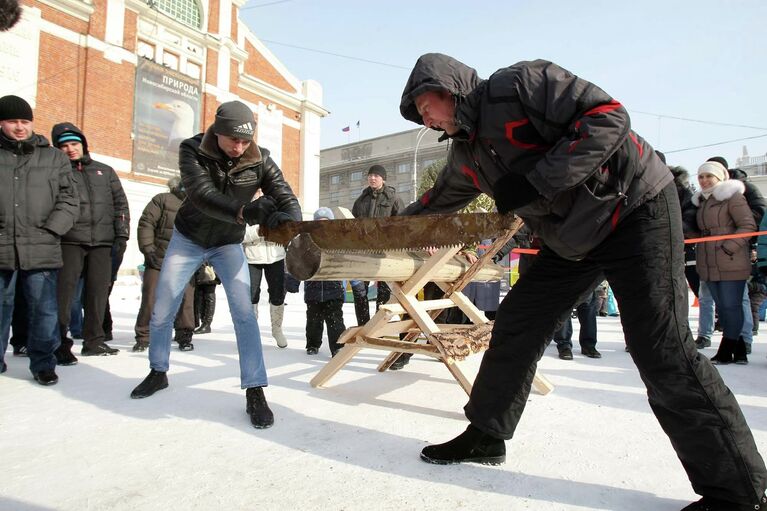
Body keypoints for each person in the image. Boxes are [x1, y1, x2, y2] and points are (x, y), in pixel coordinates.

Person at [398, 54, 766, 510]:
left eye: (424, 102)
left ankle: (737, 492)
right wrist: (385, 230)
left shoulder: (519, 85)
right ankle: (486, 435)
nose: (423, 115)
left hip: (635, 209)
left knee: (661, 347)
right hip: (572, 236)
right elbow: (436, 202)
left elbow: (607, 117)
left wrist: (535, 181)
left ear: (448, 86)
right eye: (416, 112)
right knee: (517, 322)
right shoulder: (466, 155)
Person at [130, 100, 302, 430]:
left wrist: (290, 222)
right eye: (232, 140)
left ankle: (255, 389)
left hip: (227, 243)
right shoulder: (192, 149)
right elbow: (201, 195)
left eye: (245, 141)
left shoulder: (261, 157)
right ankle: (158, 370)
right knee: (163, 304)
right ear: (216, 131)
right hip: (189, 237)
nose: (239, 147)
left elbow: (283, 193)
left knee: (243, 312)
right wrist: (246, 212)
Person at [0, 95, 79, 383]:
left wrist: (51, 230)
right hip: (2, 245)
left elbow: (70, 200)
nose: (20, 127)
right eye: (12, 121)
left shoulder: (53, 157)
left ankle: (43, 363)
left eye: (25, 121)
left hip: (42, 245)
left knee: (43, 311)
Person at [50, 122, 129, 361]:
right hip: (69, 241)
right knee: (63, 295)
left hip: (103, 242)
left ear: (83, 144)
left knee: (97, 294)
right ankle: (59, 344)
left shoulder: (105, 171)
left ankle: (94, 340)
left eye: (74, 144)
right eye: (63, 146)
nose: (70, 149)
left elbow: (120, 204)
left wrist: (121, 234)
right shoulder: (57, 173)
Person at [691, 160, 755, 365]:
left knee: (731, 306)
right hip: (709, 262)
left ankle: (727, 349)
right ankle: (740, 350)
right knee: (722, 307)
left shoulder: (732, 197)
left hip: (731, 261)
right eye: (701, 176)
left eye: (709, 176)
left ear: (720, 177)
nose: (704, 180)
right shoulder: (702, 201)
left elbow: (747, 225)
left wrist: (729, 247)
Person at [133, 176, 195, 352]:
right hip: (158, 258)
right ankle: (144, 336)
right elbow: (146, 223)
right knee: (150, 298)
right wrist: (148, 248)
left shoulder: (199, 206)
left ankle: (184, 335)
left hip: (186, 261)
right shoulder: (162, 199)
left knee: (186, 301)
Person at [350, 164, 405, 325]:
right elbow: (352, 225)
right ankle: (363, 325)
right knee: (360, 290)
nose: (372, 178)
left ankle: (378, 325)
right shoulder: (361, 199)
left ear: (383, 178)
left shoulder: (393, 198)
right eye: (370, 175)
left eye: (376, 175)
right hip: (364, 252)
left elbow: (403, 224)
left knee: (384, 292)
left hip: (385, 252)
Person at [242, 190, 289, 348]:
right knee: (251, 294)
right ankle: (250, 332)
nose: (260, 192)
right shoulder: (246, 207)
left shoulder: (278, 205)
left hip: (276, 255)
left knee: (277, 293)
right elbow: (240, 235)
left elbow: (288, 230)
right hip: (253, 257)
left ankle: (277, 329)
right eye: (257, 189)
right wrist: (258, 231)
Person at [300, 207, 346, 356]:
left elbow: (346, 262)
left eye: (325, 222)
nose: (322, 225)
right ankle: (312, 344)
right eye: (319, 222)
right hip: (313, 287)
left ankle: (338, 346)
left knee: (335, 320)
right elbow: (300, 261)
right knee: (313, 319)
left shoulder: (338, 240)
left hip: (334, 287)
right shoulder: (308, 239)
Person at [552, 285, 601, 360]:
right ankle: (564, 345)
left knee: (588, 308)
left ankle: (589, 345)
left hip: (587, 277)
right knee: (564, 307)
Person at [192, 262, 219, 336]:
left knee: (209, 293)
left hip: (210, 265)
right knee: (200, 293)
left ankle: (206, 323)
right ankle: (203, 321)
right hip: (201, 264)